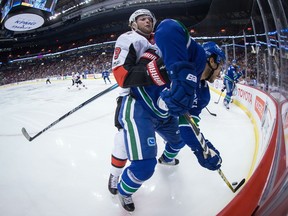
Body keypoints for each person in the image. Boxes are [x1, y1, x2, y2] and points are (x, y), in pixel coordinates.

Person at [110, 12, 223, 212]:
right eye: (220, 65)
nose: (221, 72)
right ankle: (123, 188)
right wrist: (165, 72)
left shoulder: (203, 93)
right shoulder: (155, 49)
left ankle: (167, 158)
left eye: (149, 19)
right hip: (139, 107)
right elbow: (170, 27)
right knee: (142, 164)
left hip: (163, 115)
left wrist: (202, 148)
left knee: (178, 140)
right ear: (212, 61)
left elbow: (187, 125)